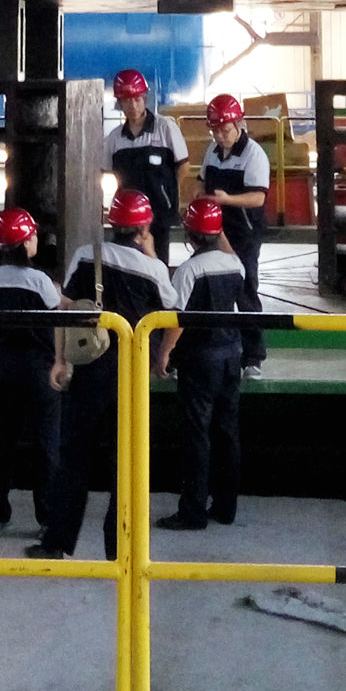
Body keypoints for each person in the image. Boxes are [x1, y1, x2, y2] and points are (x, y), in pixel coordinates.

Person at [28, 188, 176, 562]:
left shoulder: (86, 255)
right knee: (125, 460)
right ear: (144, 226)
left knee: (74, 455)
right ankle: (120, 548)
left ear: (111, 222)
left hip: (90, 369)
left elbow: (64, 309)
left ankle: (56, 542)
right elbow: (174, 315)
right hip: (131, 374)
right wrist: (163, 355)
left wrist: (60, 360)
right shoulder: (154, 270)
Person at [155, 195, 246, 532]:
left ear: (190, 235)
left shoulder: (189, 270)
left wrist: (164, 352)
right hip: (231, 355)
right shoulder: (235, 265)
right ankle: (225, 507)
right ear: (218, 231)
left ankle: (192, 511)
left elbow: (177, 319)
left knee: (197, 436)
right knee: (227, 432)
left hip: (200, 361)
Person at [0, 207, 61, 537]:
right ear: (27, 242)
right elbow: (58, 322)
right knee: (46, 444)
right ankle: (47, 520)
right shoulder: (40, 281)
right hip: (40, 371)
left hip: (5, 368)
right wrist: (62, 362)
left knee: (2, 443)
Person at [199, 92, 271, 378]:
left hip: (243, 234)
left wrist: (227, 200)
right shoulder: (212, 151)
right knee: (209, 290)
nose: (220, 136)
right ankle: (210, 349)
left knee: (245, 290)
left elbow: (258, 198)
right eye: (215, 130)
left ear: (238, 124)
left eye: (225, 130)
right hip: (212, 232)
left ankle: (253, 356)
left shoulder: (254, 155)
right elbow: (203, 184)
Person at [104, 68, 188, 266]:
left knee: (158, 264)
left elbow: (184, 166)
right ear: (119, 103)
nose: (133, 105)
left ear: (144, 98)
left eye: (137, 99)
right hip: (126, 218)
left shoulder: (165, 128)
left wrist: (167, 193)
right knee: (127, 265)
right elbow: (107, 173)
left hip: (159, 214)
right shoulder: (115, 138)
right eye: (127, 101)